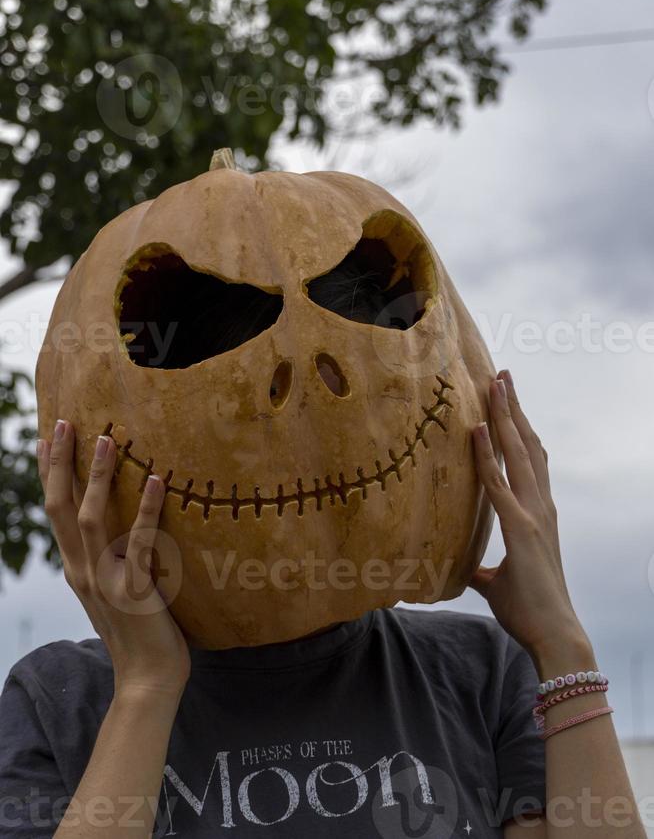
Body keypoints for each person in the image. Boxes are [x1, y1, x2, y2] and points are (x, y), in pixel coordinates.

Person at [0, 262, 645, 839]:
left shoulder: (481, 674)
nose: (304, 400)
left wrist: (562, 645)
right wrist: (145, 687)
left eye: (354, 407)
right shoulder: (59, 699)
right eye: (236, 428)